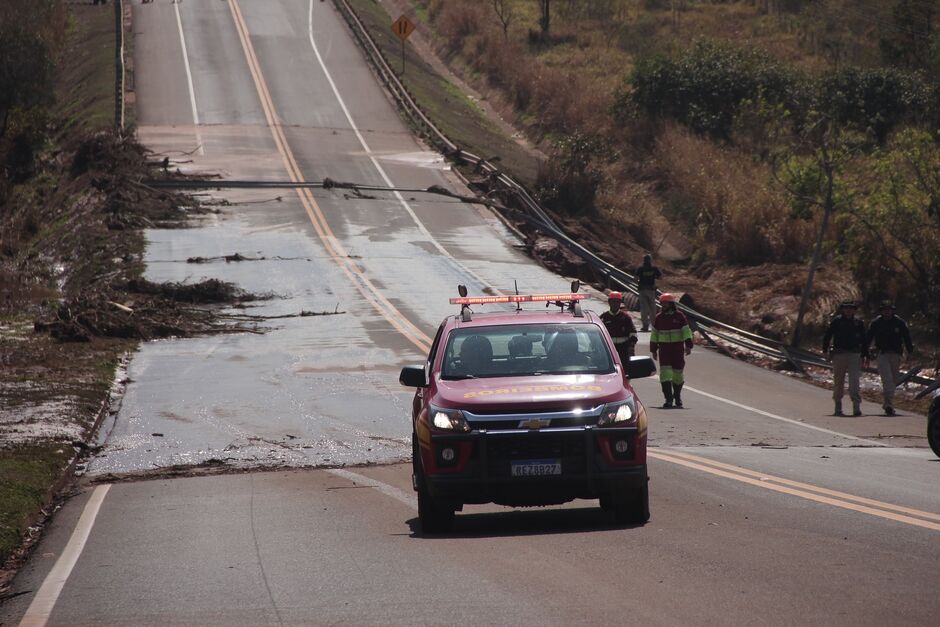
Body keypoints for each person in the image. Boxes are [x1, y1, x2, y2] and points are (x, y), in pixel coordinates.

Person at [866, 301, 913, 416]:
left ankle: (888, 402)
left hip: (896, 355)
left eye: (889, 309)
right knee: (887, 379)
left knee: (893, 380)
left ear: (892, 311)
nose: (887, 312)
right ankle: (889, 405)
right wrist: (865, 353)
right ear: (881, 311)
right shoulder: (876, 323)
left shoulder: (899, 323)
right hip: (882, 354)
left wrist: (910, 352)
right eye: (884, 310)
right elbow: (868, 338)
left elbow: (907, 338)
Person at [822, 301, 868, 416]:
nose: (848, 310)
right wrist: (825, 350)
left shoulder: (858, 323)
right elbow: (828, 336)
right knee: (838, 381)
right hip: (839, 354)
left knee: (854, 382)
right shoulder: (837, 322)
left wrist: (865, 355)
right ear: (842, 310)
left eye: (851, 308)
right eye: (846, 308)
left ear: (854, 310)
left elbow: (864, 340)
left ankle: (856, 407)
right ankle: (838, 406)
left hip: (854, 354)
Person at [649, 293, 693, 408]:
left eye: (665, 303)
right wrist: (653, 349)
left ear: (671, 304)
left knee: (678, 374)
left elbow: (686, 331)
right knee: (665, 374)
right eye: (662, 303)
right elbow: (654, 334)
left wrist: (688, 345)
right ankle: (668, 399)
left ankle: (677, 396)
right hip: (664, 350)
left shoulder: (680, 316)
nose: (663, 305)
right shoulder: (659, 318)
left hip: (677, 349)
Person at [600, 292, 638, 365]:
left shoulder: (626, 317)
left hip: (623, 350)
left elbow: (633, 333)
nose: (615, 304)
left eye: (617, 302)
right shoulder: (603, 317)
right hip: (608, 350)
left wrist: (631, 346)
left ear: (620, 303)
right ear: (609, 302)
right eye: (613, 302)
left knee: (625, 371)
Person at [635, 254, 662, 332]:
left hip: (642, 290)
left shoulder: (640, 268)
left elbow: (635, 278)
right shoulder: (654, 268)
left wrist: (640, 281)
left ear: (643, 260)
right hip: (651, 290)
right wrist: (653, 277)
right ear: (650, 260)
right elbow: (660, 277)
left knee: (644, 308)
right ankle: (654, 326)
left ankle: (645, 326)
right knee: (652, 308)